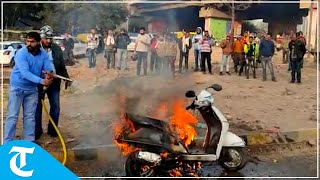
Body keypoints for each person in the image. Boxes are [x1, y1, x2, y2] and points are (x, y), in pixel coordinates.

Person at [4, 32, 54, 143]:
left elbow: (48, 67)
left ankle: (29, 142)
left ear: (38, 42)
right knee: (12, 116)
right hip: (18, 87)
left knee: (30, 117)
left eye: (32, 42)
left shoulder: (43, 54)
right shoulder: (21, 53)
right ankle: (7, 142)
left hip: (32, 89)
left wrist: (50, 74)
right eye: (27, 41)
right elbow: (25, 73)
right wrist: (42, 81)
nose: (29, 44)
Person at [35, 25, 71, 140]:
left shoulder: (56, 48)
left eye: (51, 38)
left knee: (55, 106)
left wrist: (66, 77)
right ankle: (37, 131)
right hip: (40, 82)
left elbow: (61, 65)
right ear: (41, 38)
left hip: (54, 82)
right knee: (38, 107)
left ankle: (53, 129)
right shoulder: (36, 49)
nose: (49, 41)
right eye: (47, 38)